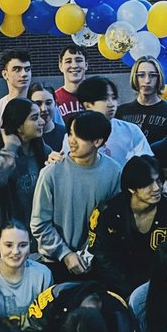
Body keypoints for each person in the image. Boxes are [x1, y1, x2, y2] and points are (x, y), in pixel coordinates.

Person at [31, 110, 122, 279]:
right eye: (71, 133)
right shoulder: (51, 172)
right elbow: (39, 224)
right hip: (55, 263)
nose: (71, 140)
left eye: (79, 136)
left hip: (96, 262)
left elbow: (114, 221)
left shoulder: (114, 171)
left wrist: (89, 253)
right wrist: (65, 254)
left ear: (98, 141)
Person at [87, 155, 167, 298]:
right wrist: (130, 292)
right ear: (131, 188)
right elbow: (103, 260)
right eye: (148, 183)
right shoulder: (108, 213)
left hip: (159, 288)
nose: (156, 188)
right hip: (113, 289)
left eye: (159, 181)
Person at [0, 98, 47, 227]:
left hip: (39, 227)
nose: (42, 122)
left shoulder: (42, 150)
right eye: (34, 118)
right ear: (19, 126)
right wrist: (10, 148)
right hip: (10, 230)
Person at [71, 76, 152, 163]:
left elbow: (147, 162)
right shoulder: (73, 133)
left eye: (113, 98)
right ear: (87, 105)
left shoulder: (131, 130)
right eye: (104, 99)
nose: (111, 104)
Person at [117, 56, 167, 144]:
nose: (147, 81)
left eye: (152, 75)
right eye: (141, 75)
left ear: (159, 78)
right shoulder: (121, 112)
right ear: (135, 77)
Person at [0, 49, 32, 127]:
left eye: (27, 69)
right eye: (17, 69)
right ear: (5, 74)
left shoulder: (43, 106)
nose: (24, 74)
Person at [28, 80, 67, 153]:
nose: (44, 109)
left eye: (48, 103)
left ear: (55, 103)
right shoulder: (25, 136)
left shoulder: (66, 134)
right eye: (38, 103)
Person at [53, 45, 87, 118]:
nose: (74, 66)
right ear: (60, 66)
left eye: (79, 60)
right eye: (68, 61)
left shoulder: (98, 96)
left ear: (86, 65)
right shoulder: (54, 99)